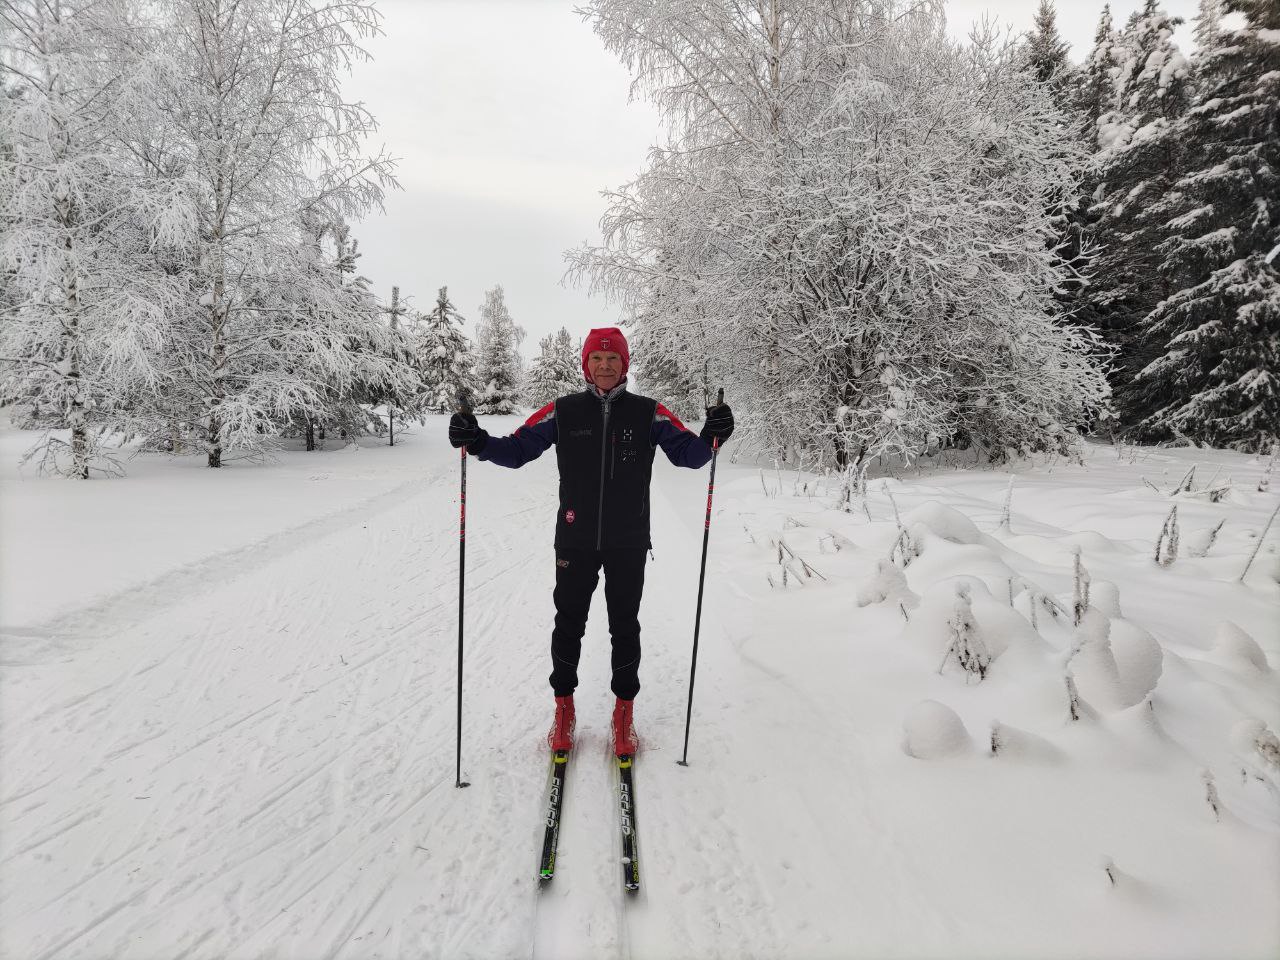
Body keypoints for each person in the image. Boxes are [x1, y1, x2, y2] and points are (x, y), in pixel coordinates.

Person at [448, 327, 734, 757]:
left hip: (628, 541)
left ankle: (624, 713)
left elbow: (690, 455)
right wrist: (478, 442)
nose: (605, 367)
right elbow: (517, 450)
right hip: (575, 538)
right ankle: (564, 708)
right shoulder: (562, 411)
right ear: (586, 365)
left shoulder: (649, 413)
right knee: (568, 624)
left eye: (613, 359)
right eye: (597, 360)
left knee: (625, 626)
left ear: (625, 365)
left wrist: (714, 435)